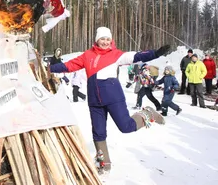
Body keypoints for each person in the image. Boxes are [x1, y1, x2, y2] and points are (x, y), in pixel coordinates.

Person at [49, 27, 169, 172]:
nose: (105, 42)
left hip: (113, 97)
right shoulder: (87, 55)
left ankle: (148, 114)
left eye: (108, 39)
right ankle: (104, 164)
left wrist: (155, 53)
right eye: (102, 39)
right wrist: (51, 68)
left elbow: (137, 56)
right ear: (97, 40)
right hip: (95, 100)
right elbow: (69, 65)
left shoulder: (116, 55)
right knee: (98, 132)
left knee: (126, 127)